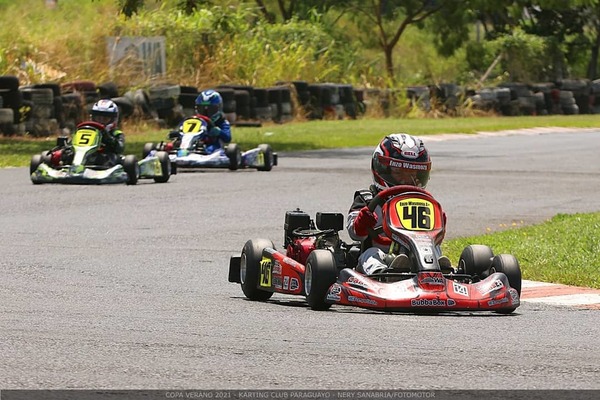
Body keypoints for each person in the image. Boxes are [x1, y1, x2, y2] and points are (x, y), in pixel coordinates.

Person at [347, 133, 450, 275]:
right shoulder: (367, 199)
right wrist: (362, 222)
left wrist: (439, 225)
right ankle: (382, 275)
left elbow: (436, 239)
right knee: (371, 253)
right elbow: (354, 233)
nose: (406, 180)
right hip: (381, 255)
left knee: (433, 248)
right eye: (399, 172)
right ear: (382, 169)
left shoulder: (423, 202)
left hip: (418, 254)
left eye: (413, 173)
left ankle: (441, 272)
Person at [192, 89, 232, 153]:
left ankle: (204, 153)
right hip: (194, 144)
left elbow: (228, 138)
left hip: (214, 145)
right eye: (202, 109)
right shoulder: (195, 121)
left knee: (210, 149)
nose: (206, 113)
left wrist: (219, 132)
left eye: (210, 110)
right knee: (172, 145)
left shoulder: (222, 122)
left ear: (219, 108)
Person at [90, 99, 125, 165]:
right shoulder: (88, 131)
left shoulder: (117, 133)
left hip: (106, 158)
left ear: (113, 119)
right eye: (98, 118)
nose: (100, 122)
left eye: (105, 119)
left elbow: (119, 148)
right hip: (87, 155)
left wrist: (108, 138)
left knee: (102, 158)